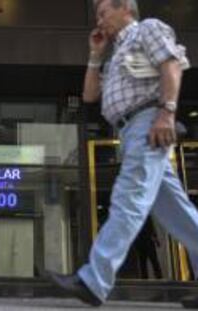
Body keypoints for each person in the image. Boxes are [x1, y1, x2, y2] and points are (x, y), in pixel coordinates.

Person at [46, 0, 198, 306]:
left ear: (125, 8)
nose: (99, 21)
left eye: (103, 13)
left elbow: (170, 65)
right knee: (179, 215)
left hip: (148, 123)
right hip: (129, 131)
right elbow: (90, 95)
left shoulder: (147, 29)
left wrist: (167, 113)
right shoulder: (116, 54)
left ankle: (94, 280)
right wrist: (95, 56)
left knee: (127, 199)